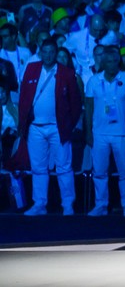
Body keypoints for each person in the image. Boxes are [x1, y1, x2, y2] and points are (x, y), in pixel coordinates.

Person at [19, 38, 82, 216]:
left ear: (56, 53)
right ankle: (39, 204)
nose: (48, 55)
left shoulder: (67, 73)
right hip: (36, 127)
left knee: (64, 167)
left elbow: (75, 103)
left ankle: (68, 204)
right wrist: (22, 124)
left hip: (58, 128)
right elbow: (24, 97)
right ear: (40, 52)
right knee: (38, 168)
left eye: (51, 52)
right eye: (44, 52)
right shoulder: (31, 69)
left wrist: (68, 126)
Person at [84, 44, 125, 216]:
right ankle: (101, 205)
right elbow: (89, 108)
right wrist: (88, 132)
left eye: (115, 61)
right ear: (103, 63)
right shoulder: (93, 81)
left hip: (122, 132)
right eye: (109, 62)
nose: (112, 65)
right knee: (99, 172)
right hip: (100, 134)